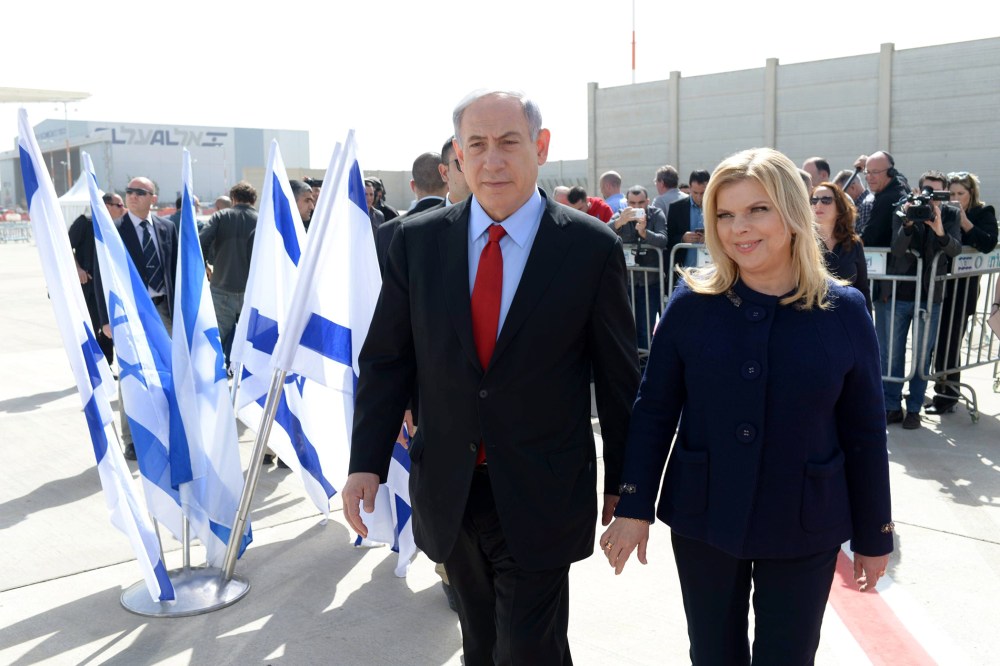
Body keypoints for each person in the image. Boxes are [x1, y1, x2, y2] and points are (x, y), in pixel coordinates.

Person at [342, 89, 639, 665]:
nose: (492, 160)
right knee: (480, 644)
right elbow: (387, 360)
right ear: (458, 155)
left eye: (508, 142)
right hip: (450, 489)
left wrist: (627, 490)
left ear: (540, 147)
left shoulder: (589, 248)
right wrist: (366, 461)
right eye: (476, 145)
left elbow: (618, 380)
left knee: (528, 649)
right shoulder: (417, 242)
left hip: (542, 492)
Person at [600, 148, 893, 665]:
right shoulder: (690, 304)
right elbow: (654, 410)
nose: (739, 228)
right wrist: (634, 505)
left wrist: (874, 534)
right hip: (705, 514)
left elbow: (865, 430)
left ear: (793, 212)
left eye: (758, 209)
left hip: (805, 520)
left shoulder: (843, 310)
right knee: (713, 654)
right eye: (725, 214)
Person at [94, 176, 178, 460]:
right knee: (131, 374)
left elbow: (174, 270)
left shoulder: (167, 228)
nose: (132, 196)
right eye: (129, 191)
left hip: (164, 310)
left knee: (170, 368)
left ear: (153, 198)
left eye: (140, 192)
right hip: (130, 313)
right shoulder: (114, 229)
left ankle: (169, 427)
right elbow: (101, 275)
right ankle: (131, 438)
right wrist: (105, 318)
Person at [880, 170, 961, 429]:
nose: (931, 198)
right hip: (900, 294)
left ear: (944, 193)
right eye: (927, 191)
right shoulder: (904, 209)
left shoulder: (951, 214)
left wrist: (940, 231)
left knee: (922, 357)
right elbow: (897, 250)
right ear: (918, 190)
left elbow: (955, 249)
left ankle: (914, 408)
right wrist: (907, 224)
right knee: (893, 355)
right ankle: (892, 406)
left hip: (931, 297)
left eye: (936, 193)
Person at [929, 171, 999, 414]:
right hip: (938, 284)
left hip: (963, 289)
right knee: (935, 341)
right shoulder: (942, 211)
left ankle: (947, 396)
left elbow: (988, 242)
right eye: (951, 193)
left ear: (971, 193)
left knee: (950, 342)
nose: (956, 198)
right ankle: (939, 389)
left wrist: (965, 222)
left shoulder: (983, 212)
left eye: (961, 193)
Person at [199, 181, 258, 369]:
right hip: (253, 291)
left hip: (221, 288)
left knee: (215, 340)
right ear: (253, 200)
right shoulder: (262, 220)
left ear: (233, 199)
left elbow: (201, 241)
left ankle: (213, 376)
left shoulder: (220, 216)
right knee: (252, 342)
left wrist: (204, 266)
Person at [607, 185, 668, 350]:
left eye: (641, 203)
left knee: (645, 329)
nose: (636, 207)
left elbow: (663, 240)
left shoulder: (656, 214)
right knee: (624, 327)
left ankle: (644, 363)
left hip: (650, 282)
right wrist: (619, 222)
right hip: (626, 282)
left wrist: (644, 233)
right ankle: (629, 362)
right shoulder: (621, 215)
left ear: (647, 201)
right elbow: (603, 232)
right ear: (627, 203)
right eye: (632, 203)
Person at [68, 192, 123, 367]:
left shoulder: (117, 227)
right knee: (91, 327)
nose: (122, 209)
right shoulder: (85, 223)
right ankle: (90, 366)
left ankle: (107, 365)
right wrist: (78, 269)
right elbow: (66, 246)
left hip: (109, 285)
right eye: (119, 205)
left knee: (107, 327)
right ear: (107, 206)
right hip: (89, 286)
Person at [811, 182, 871, 310]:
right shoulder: (801, 242)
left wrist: (868, 320)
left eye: (826, 200)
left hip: (847, 315)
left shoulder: (854, 243)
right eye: (814, 200)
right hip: (811, 315)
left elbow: (863, 288)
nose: (818, 204)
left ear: (839, 207)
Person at [665, 169, 710, 267]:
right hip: (684, 268)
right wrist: (682, 238)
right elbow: (668, 238)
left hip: (711, 268)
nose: (699, 197)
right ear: (689, 188)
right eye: (695, 192)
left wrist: (710, 238)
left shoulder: (718, 207)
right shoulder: (676, 208)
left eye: (703, 193)